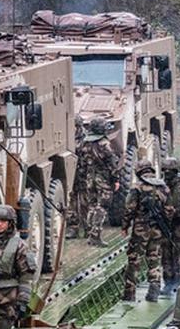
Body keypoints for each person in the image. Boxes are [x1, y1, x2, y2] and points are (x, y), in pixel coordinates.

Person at [122, 159, 170, 302]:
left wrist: (125, 226)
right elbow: (169, 210)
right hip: (158, 229)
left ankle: (129, 294)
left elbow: (129, 209)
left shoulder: (137, 188)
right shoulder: (163, 187)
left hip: (140, 230)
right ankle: (154, 291)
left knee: (134, 260)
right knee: (154, 259)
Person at [66, 118, 120, 247]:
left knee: (91, 205)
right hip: (103, 180)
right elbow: (112, 164)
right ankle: (94, 235)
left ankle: (89, 232)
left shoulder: (85, 143)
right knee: (102, 207)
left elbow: (83, 163)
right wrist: (116, 180)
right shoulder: (104, 144)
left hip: (90, 179)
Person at [161, 157, 180, 293]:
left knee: (178, 255)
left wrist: (174, 212)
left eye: (170, 171)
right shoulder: (161, 186)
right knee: (166, 256)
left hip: (179, 227)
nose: (167, 173)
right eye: (165, 170)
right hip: (165, 226)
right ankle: (168, 283)